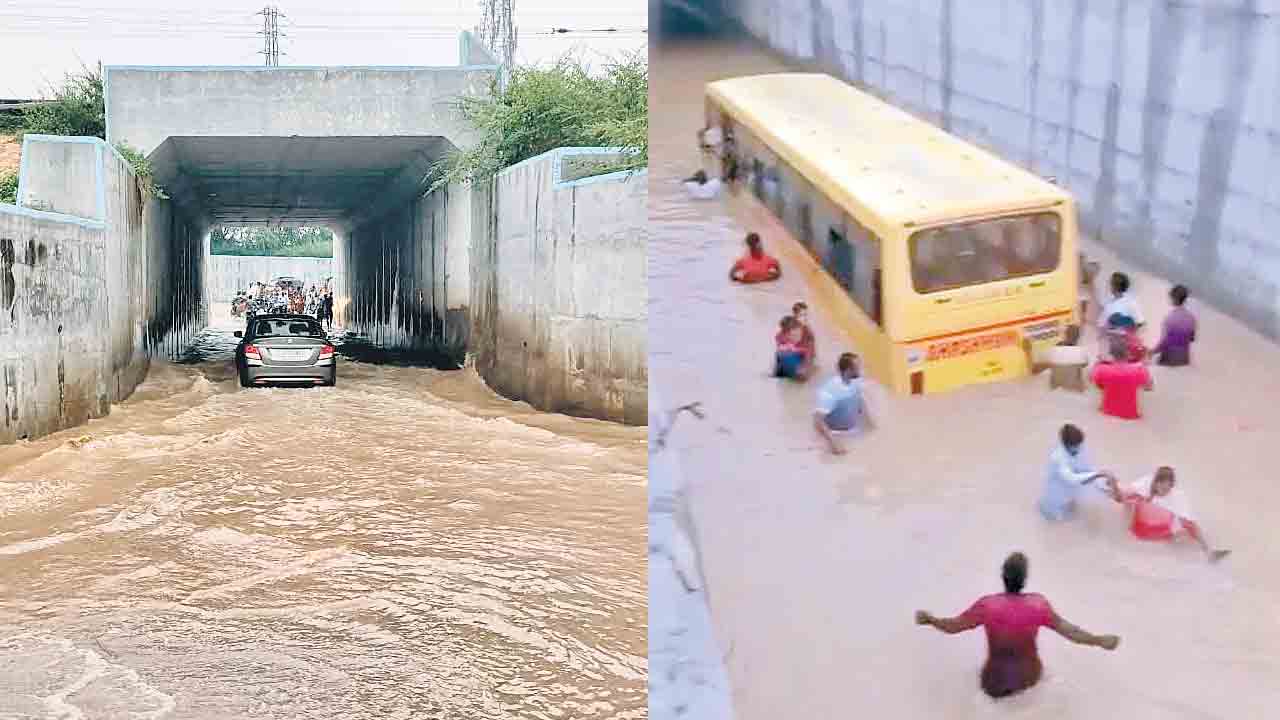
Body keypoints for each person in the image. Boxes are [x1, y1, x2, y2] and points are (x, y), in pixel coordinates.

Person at [915, 552, 1120, 699]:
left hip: (995, 683)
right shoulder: (1039, 605)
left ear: (1003, 577)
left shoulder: (987, 606)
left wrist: (930, 620)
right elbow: (1071, 632)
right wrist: (1099, 640)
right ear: (1024, 581)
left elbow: (954, 626)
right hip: (1031, 678)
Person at [1105, 468, 1230, 562]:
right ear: (1155, 483)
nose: (1164, 491)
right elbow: (1120, 497)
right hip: (1138, 524)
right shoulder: (1145, 484)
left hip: (1159, 528)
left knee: (1184, 531)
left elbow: (1191, 525)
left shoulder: (1176, 497)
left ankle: (1209, 553)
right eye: (1162, 487)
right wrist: (1113, 484)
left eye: (1167, 488)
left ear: (1172, 487)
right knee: (1128, 499)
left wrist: (1207, 549)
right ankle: (1126, 538)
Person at [1038, 424, 1115, 521]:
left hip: (1070, 491)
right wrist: (1098, 474)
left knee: (1071, 509)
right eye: (1076, 445)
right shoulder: (1058, 457)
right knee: (1056, 520)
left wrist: (1103, 486)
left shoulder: (1080, 448)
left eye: (1080, 444)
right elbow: (1072, 478)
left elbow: (1087, 470)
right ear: (1067, 445)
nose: (1080, 447)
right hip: (1056, 496)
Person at [813, 352, 871, 455]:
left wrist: (870, 424)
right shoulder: (830, 390)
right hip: (837, 435)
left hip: (853, 433)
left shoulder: (856, 382)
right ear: (848, 370)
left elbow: (860, 403)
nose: (861, 369)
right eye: (858, 367)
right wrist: (834, 443)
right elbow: (818, 421)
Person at [1090, 335, 1153, 420]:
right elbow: (1149, 387)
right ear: (1128, 354)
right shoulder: (1139, 370)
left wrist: (1098, 363)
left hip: (1106, 413)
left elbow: (1095, 383)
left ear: (1111, 354)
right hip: (1132, 416)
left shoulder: (1101, 369)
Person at [1152, 284, 1196, 366]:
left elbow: (1163, 342)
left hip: (1169, 359)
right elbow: (1191, 338)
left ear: (1173, 299)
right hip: (1184, 359)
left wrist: (1152, 352)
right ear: (1185, 299)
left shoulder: (1169, 319)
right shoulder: (1192, 318)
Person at [773, 316, 813, 381]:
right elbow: (779, 355)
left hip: (800, 358)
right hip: (790, 360)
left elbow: (809, 354)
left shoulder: (806, 334)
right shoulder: (780, 336)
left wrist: (805, 369)